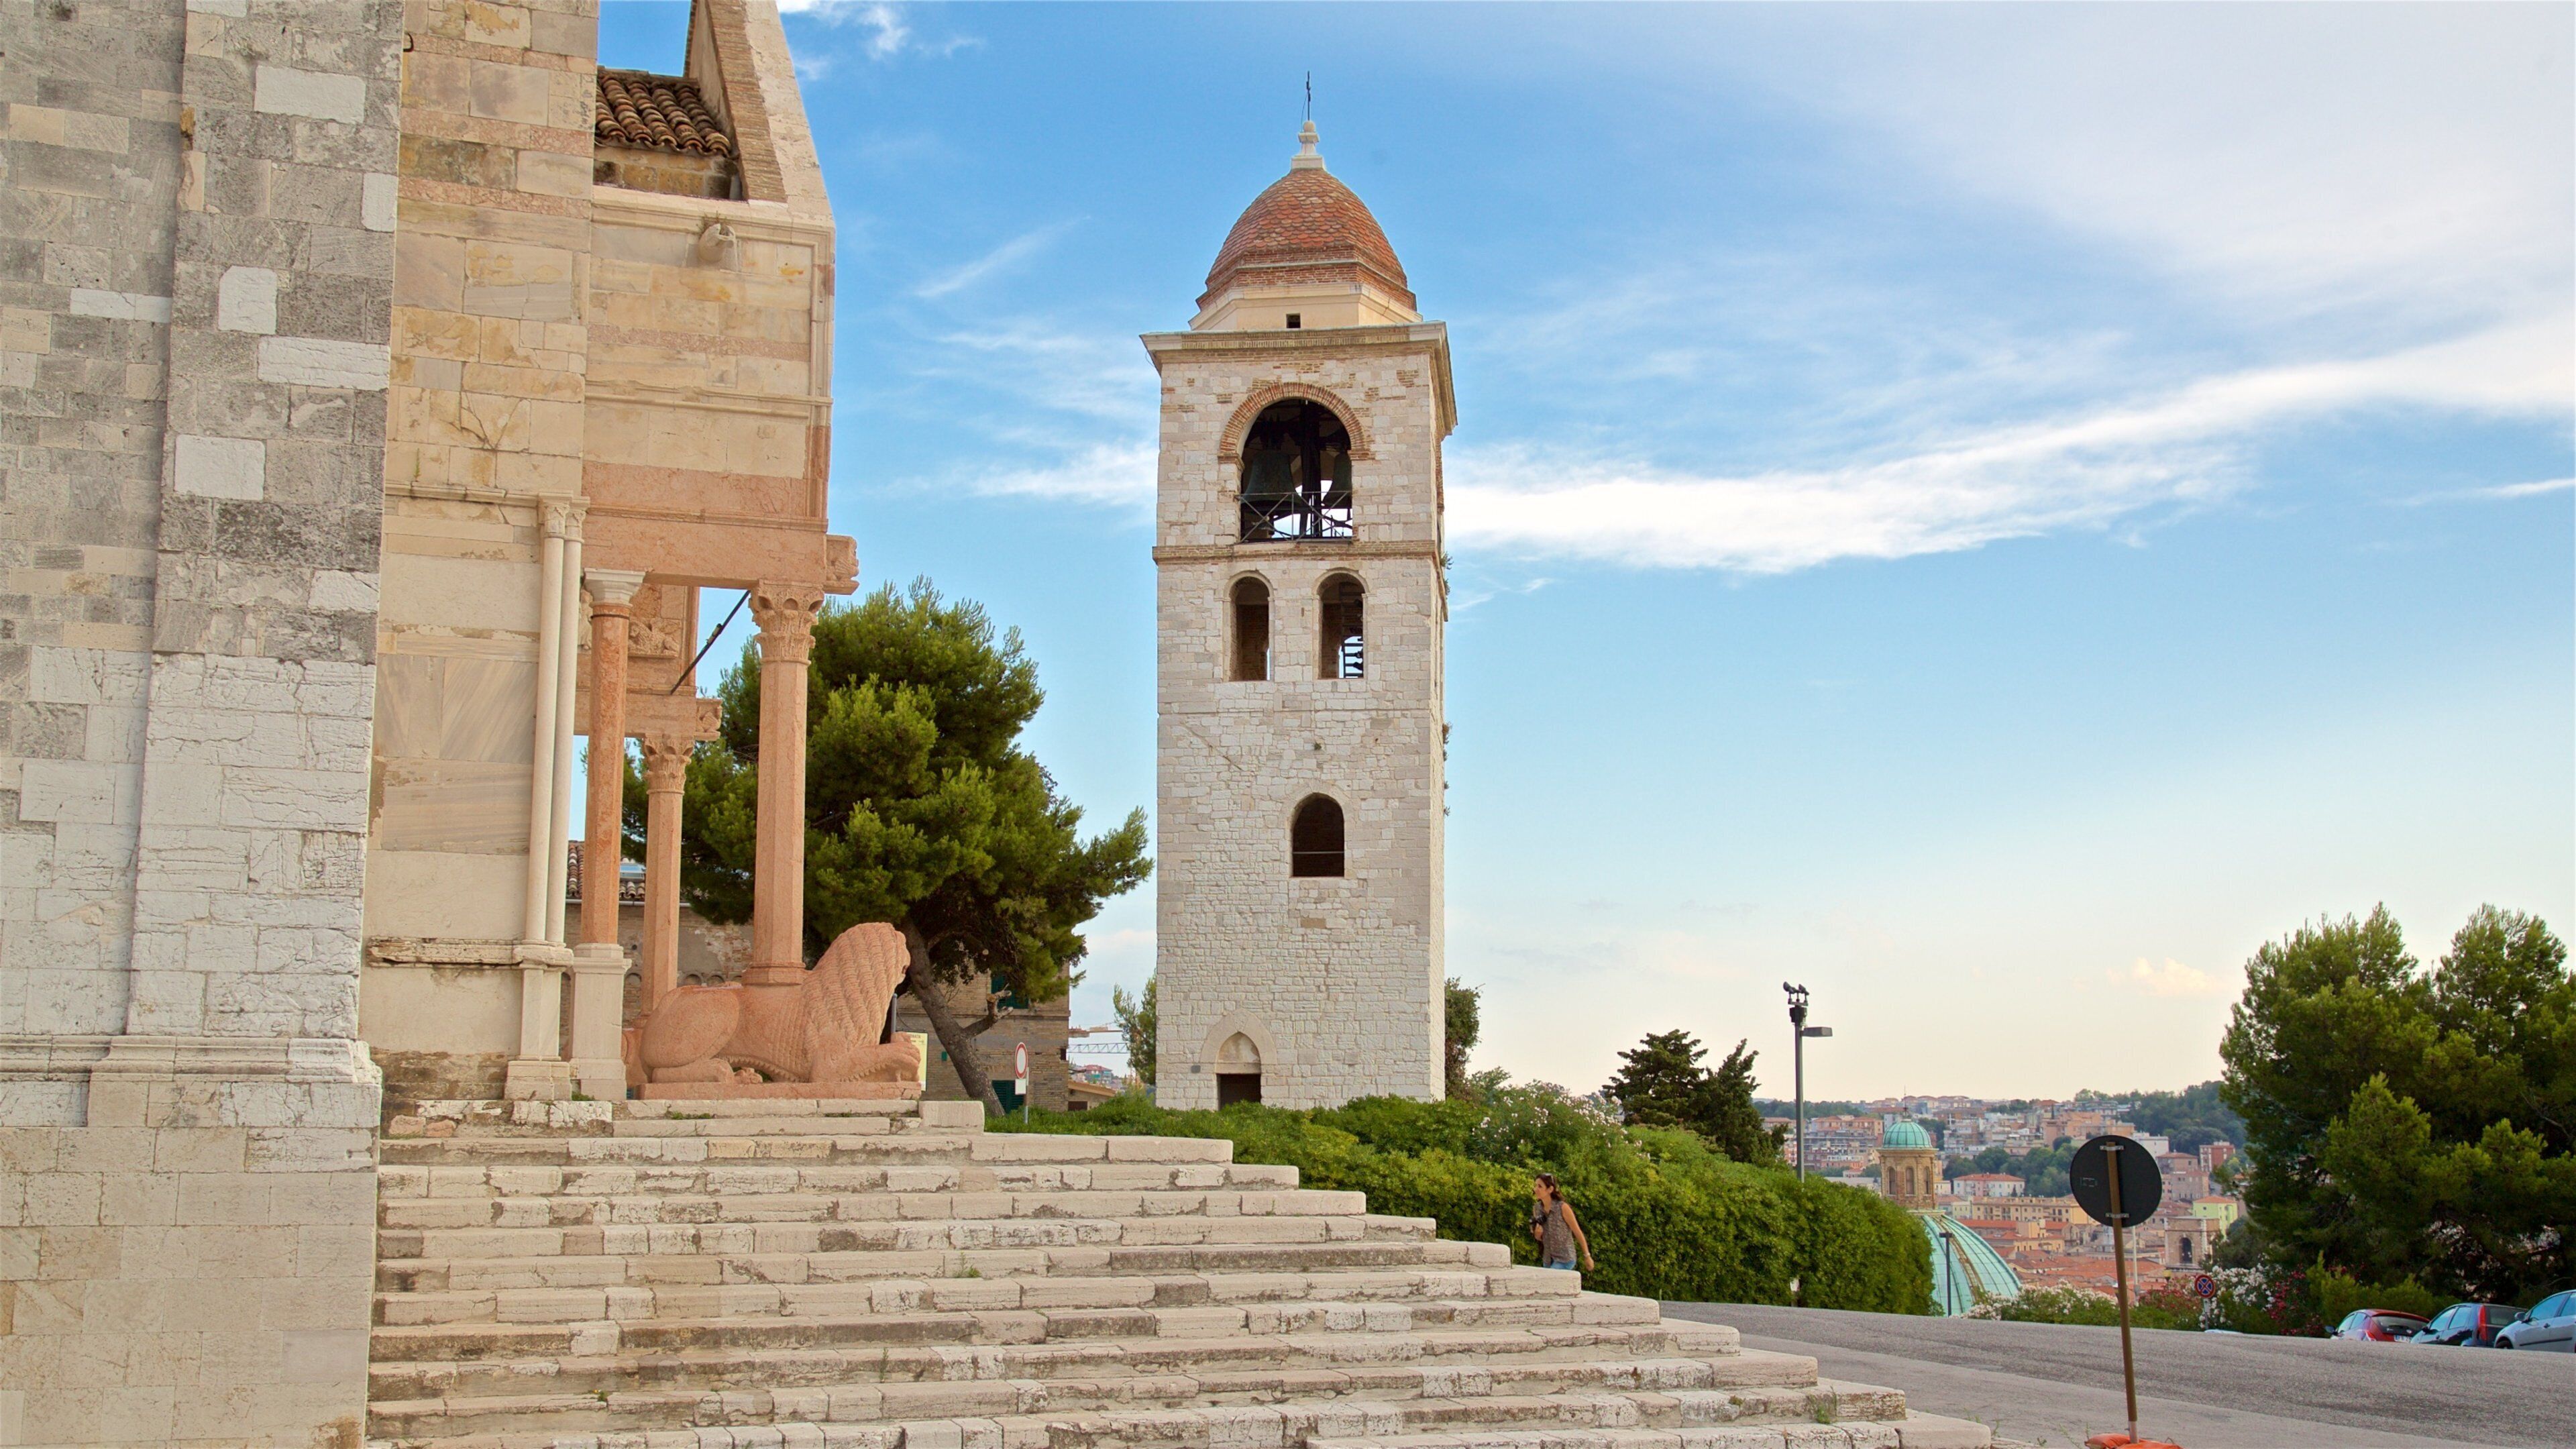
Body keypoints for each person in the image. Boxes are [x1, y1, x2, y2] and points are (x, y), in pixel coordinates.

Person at [1529, 1173, 1594, 1273]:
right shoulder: (1537, 1209)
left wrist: (1587, 1256)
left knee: (1549, 1281)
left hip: (1565, 1259)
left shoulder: (1562, 1208)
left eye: (1540, 1186)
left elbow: (1577, 1232)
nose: (1535, 1189)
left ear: (1550, 1189)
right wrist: (1537, 1235)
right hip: (1548, 1260)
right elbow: (1539, 1237)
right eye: (1535, 1185)